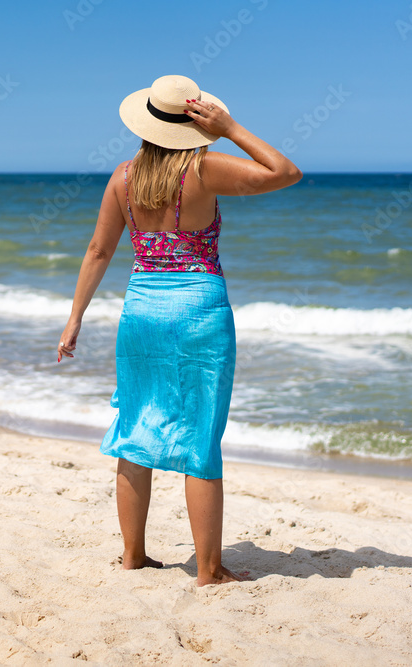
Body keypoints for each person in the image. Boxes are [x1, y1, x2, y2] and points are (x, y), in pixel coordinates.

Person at [56, 75, 301, 586]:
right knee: (200, 437)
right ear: (194, 122)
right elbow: (284, 171)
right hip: (199, 312)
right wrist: (231, 127)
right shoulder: (204, 169)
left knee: (134, 431)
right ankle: (208, 570)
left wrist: (75, 318)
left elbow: (98, 252)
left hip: (141, 310)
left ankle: (133, 556)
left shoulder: (123, 178)